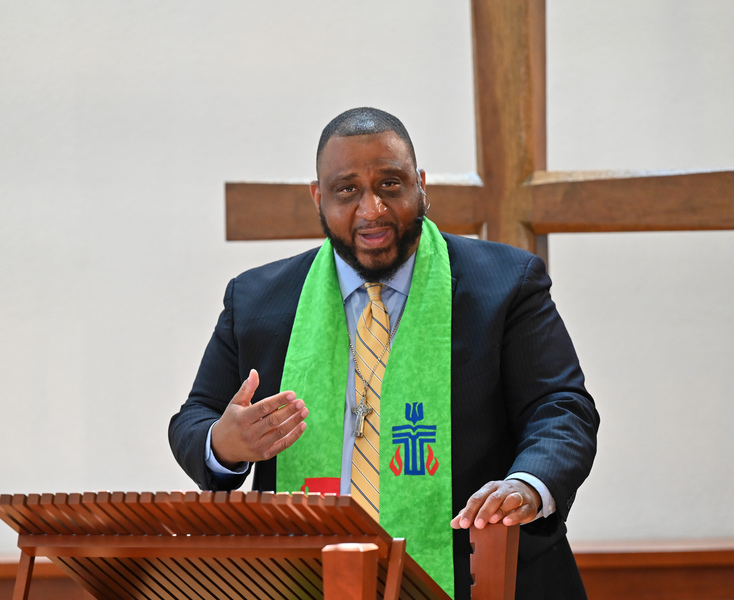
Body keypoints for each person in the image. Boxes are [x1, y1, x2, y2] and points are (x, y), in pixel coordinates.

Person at [169, 107, 599, 599]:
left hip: (484, 577)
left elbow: (562, 408)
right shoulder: (257, 300)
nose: (371, 209)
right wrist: (224, 444)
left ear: (420, 184)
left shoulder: (506, 284)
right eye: (347, 190)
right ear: (318, 197)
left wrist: (527, 484)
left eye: (390, 185)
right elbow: (194, 418)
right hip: (314, 580)